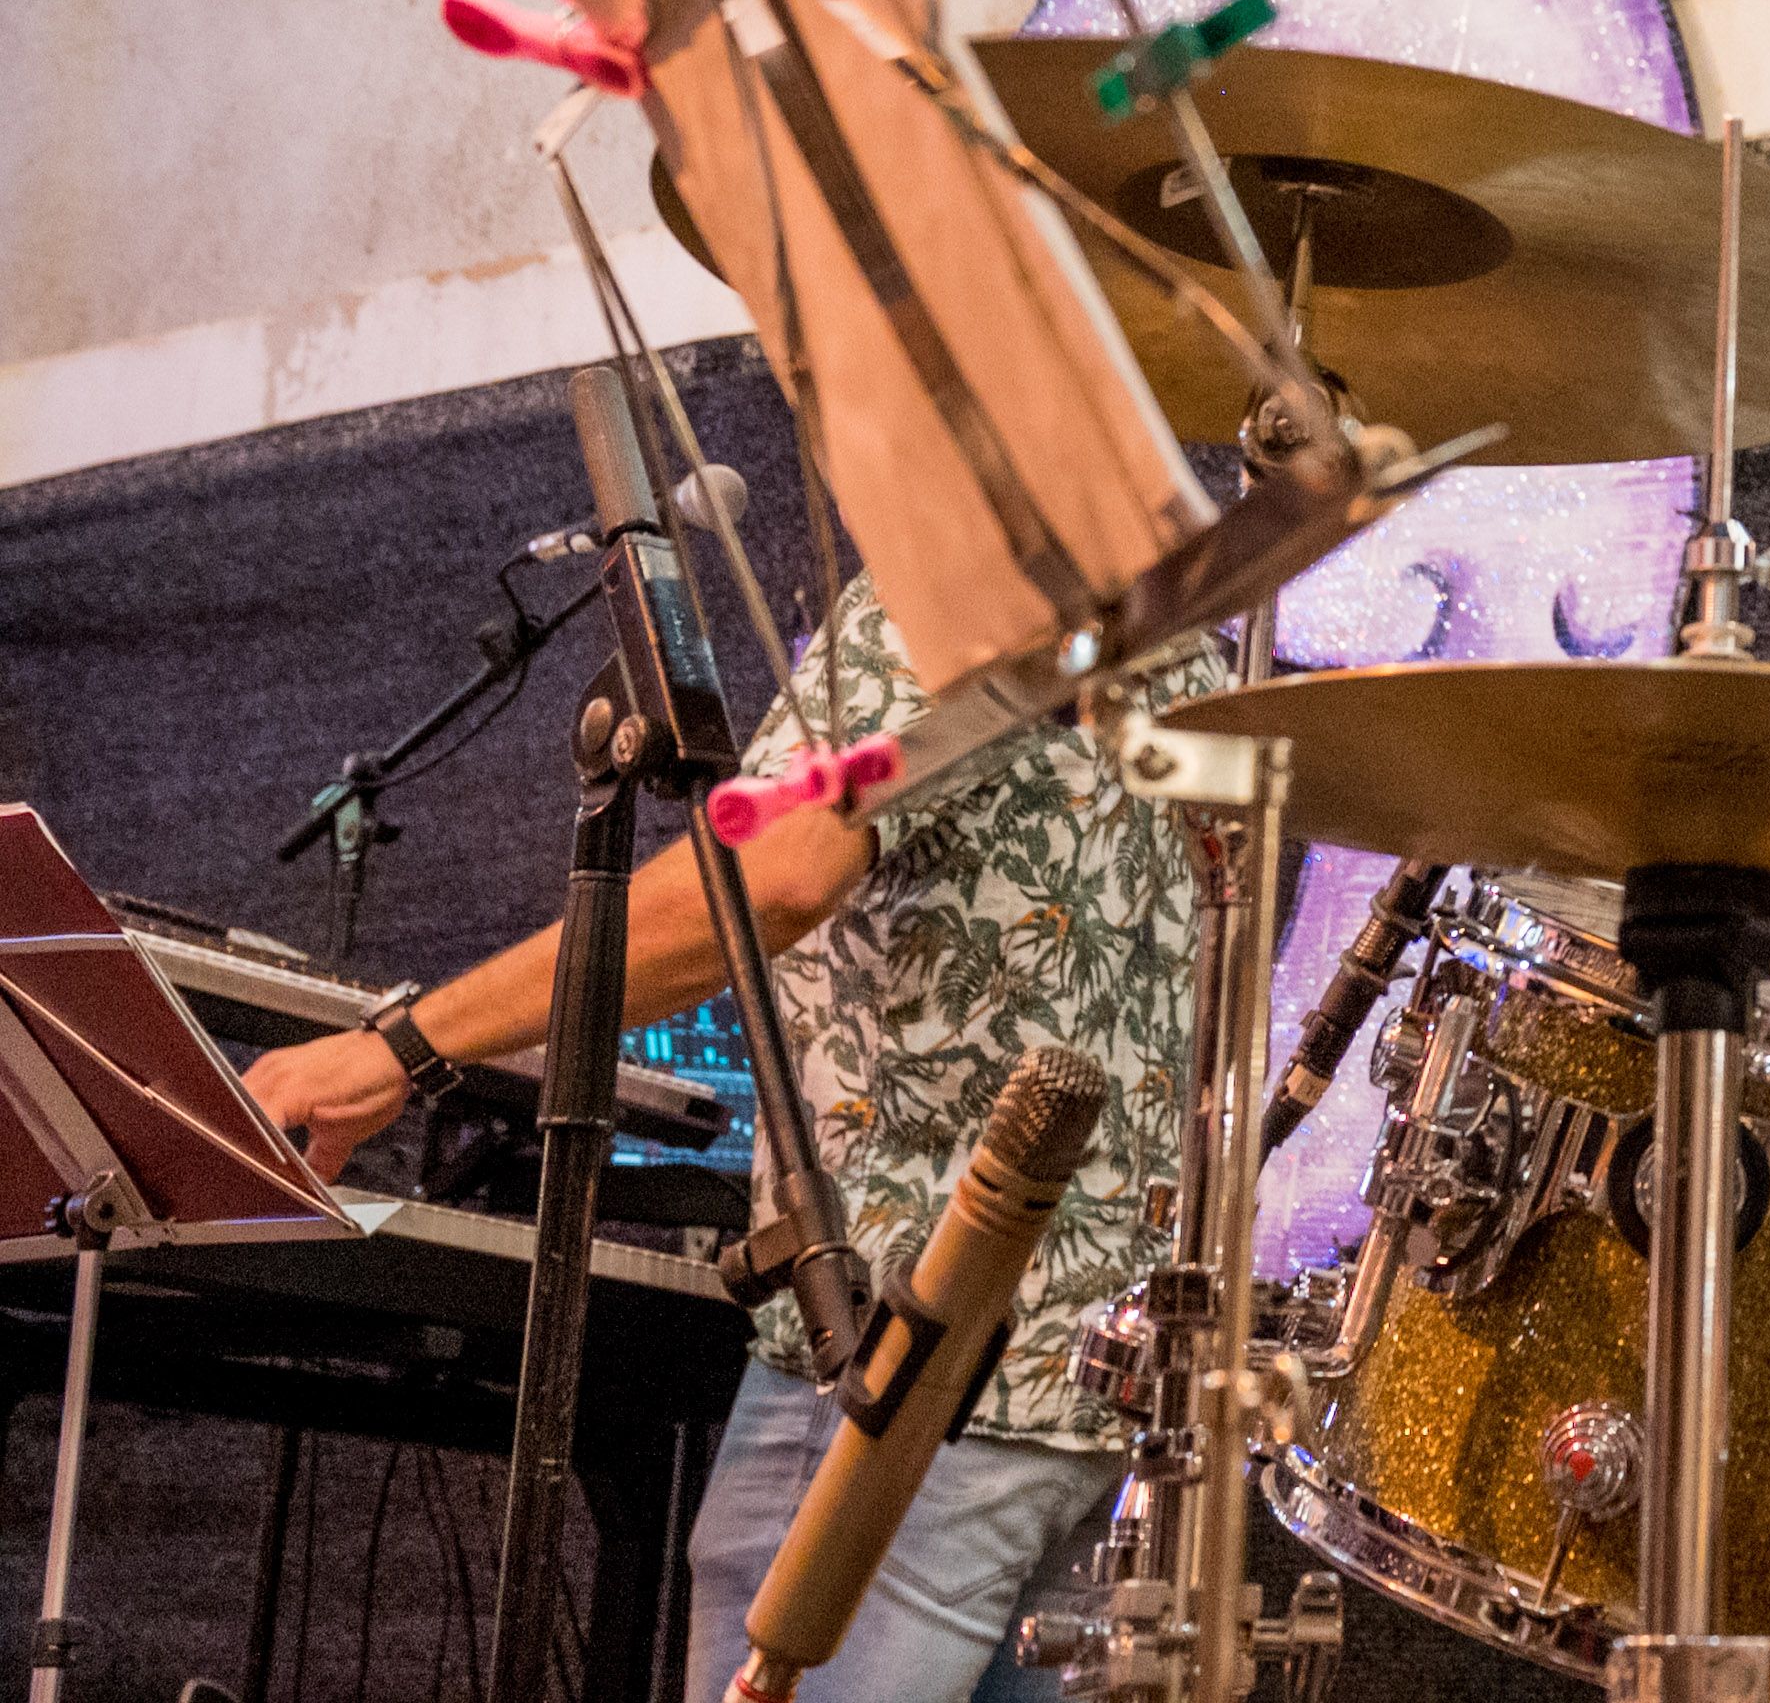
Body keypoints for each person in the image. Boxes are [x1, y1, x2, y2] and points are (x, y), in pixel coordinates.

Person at [247, 581, 1208, 1703]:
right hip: (1097, 1388)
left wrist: (400, 1046)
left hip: (898, 1368)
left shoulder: (947, 597)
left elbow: (773, 874)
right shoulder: (1183, 627)